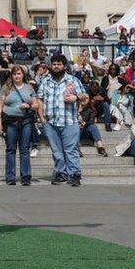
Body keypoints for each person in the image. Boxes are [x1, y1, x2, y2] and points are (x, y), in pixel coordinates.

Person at [36, 53, 86, 186]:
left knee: (71, 149)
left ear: (64, 66)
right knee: (56, 150)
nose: (56, 66)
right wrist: (42, 118)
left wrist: (76, 98)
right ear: (50, 66)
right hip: (50, 122)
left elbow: (85, 97)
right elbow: (39, 99)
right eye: (54, 64)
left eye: (59, 64)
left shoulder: (73, 80)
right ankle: (61, 173)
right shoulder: (45, 81)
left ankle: (74, 174)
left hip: (69, 120)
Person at [0, 66, 40, 186]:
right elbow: (0, 104)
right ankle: (10, 177)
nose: (17, 76)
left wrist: (29, 106)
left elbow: (36, 104)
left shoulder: (29, 88)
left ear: (23, 75)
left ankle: (25, 176)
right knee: (10, 149)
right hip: (10, 122)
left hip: (26, 121)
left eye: (19, 74)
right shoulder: (6, 88)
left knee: (24, 149)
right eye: (15, 74)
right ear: (12, 75)